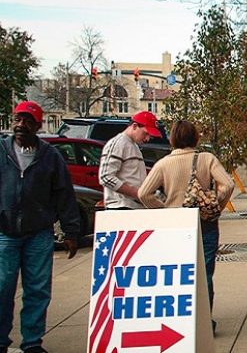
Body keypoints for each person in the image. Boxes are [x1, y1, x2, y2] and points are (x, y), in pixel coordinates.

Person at [138, 120, 234, 332]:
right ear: (195, 137)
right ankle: (204, 322)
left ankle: (181, 320)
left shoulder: (163, 164)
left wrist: (163, 209)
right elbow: (228, 183)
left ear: (172, 138)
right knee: (205, 273)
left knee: (180, 274)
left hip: (176, 224)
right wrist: (215, 204)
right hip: (205, 222)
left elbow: (143, 193)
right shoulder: (206, 158)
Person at [0, 101, 81, 353]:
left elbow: (64, 195)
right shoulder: (1, 151)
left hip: (39, 234)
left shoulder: (50, 156)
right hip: (5, 232)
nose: (21, 125)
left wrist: (71, 232)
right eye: (18, 119)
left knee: (37, 290)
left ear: (38, 125)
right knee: (2, 288)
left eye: (27, 121)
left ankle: (32, 342)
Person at [99, 111, 161, 210]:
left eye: (150, 136)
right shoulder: (118, 143)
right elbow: (106, 177)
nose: (147, 139)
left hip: (132, 206)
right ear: (135, 126)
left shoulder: (133, 145)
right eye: (145, 133)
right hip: (121, 206)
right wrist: (138, 194)